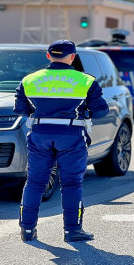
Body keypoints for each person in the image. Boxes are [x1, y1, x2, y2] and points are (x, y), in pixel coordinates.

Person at [14, 39, 109, 242]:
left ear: (48, 56)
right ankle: (72, 231)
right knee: (72, 184)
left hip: (39, 134)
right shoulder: (86, 80)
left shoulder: (29, 80)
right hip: (72, 135)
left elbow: (21, 110)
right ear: (72, 57)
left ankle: (27, 229)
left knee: (34, 182)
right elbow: (101, 111)